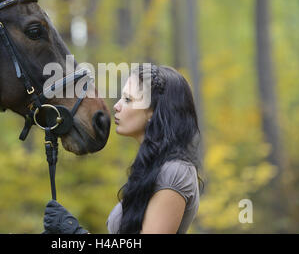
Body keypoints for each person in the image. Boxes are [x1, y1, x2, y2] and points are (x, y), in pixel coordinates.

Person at [43, 64, 203, 234]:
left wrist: (76, 233)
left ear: (153, 112)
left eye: (128, 100)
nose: (116, 106)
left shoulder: (175, 171)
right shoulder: (151, 170)